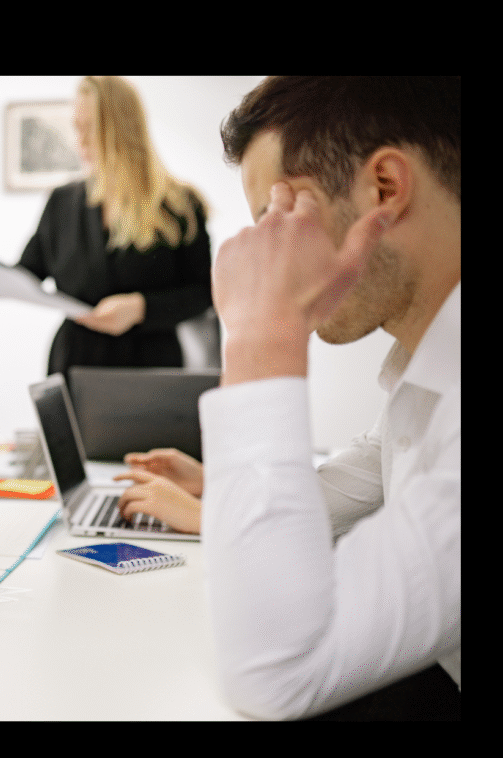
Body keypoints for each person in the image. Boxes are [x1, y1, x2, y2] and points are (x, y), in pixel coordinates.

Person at [195, 76, 460, 720]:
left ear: (384, 188)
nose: (268, 248)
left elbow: (277, 677)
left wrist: (262, 334)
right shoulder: (428, 370)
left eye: (280, 217)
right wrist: (216, 494)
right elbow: (372, 469)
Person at [0, 76, 212, 379]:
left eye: (90, 128)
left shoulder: (180, 205)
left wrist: (140, 308)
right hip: (74, 365)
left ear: (122, 129)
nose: (79, 140)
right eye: (76, 127)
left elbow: (204, 293)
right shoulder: (62, 202)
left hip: (151, 369)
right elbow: (26, 276)